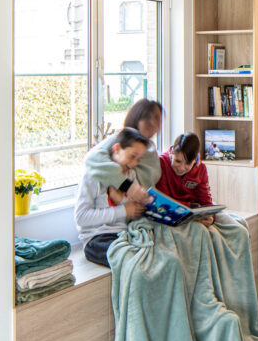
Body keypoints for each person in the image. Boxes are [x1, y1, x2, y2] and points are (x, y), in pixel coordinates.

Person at [74, 128, 149, 267]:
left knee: (151, 253)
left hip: (123, 233)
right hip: (97, 239)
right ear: (116, 149)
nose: (134, 164)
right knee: (132, 259)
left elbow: (132, 209)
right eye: (132, 156)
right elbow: (81, 217)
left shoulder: (130, 174)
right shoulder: (92, 176)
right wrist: (123, 210)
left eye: (138, 159)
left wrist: (124, 201)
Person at [83, 98, 163, 197]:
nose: (153, 123)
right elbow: (92, 158)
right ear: (137, 117)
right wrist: (128, 187)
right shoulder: (121, 138)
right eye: (149, 117)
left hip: (144, 202)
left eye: (157, 118)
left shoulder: (151, 148)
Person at [157, 133, 214, 225]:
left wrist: (211, 216)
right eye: (178, 161)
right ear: (171, 153)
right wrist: (191, 206)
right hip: (174, 210)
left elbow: (205, 199)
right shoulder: (161, 163)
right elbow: (164, 200)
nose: (181, 168)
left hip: (195, 211)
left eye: (188, 164)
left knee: (239, 229)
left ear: (195, 160)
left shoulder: (201, 168)